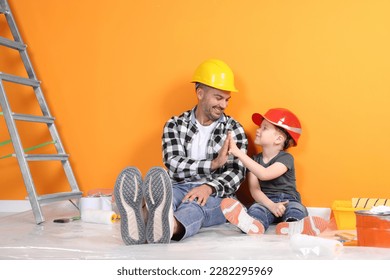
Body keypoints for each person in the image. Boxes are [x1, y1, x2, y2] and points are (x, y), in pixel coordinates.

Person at [114, 58, 248, 245]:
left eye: (227, 99)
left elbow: (236, 173)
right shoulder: (175, 124)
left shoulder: (234, 130)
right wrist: (213, 164)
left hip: (216, 193)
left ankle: (169, 225)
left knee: (195, 206)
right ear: (200, 93)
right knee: (167, 199)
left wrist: (207, 187)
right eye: (218, 98)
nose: (224, 105)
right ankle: (142, 217)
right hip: (177, 186)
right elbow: (173, 164)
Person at [220, 108, 328, 236]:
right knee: (256, 209)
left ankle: (293, 225)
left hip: (288, 200)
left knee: (297, 209)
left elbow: (265, 174)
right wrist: (271, 205)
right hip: (266, 201)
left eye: (264, 128)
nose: (258, 130)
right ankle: (253, 224)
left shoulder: (286, 158)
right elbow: (255, 190)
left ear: (278, 139)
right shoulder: (255, 160)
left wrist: (238, 153)